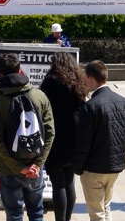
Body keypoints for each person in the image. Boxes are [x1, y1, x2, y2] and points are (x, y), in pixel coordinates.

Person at [0, 53, 55, 221]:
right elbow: (50, 133)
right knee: (36, 213)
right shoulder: (39, 96)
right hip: (34, 167)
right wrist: (37, 165)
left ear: (0, 73)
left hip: (8, 167)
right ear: (20, 70)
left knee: (14, 214)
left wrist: (18, 167)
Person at [72, 60, 125, 221]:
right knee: (105, 208)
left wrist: (78, 167)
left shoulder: (90, 106)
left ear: (91, 79)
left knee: (97, 214)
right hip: (114, 167)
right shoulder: (124, 102)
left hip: (94, 169)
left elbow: (83, 143)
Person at [40, 52, 87, 221]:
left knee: (58, 184)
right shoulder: (78, 83)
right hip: (74, 139)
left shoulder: (51, 82)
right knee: (69, 182)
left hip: (55, 138)